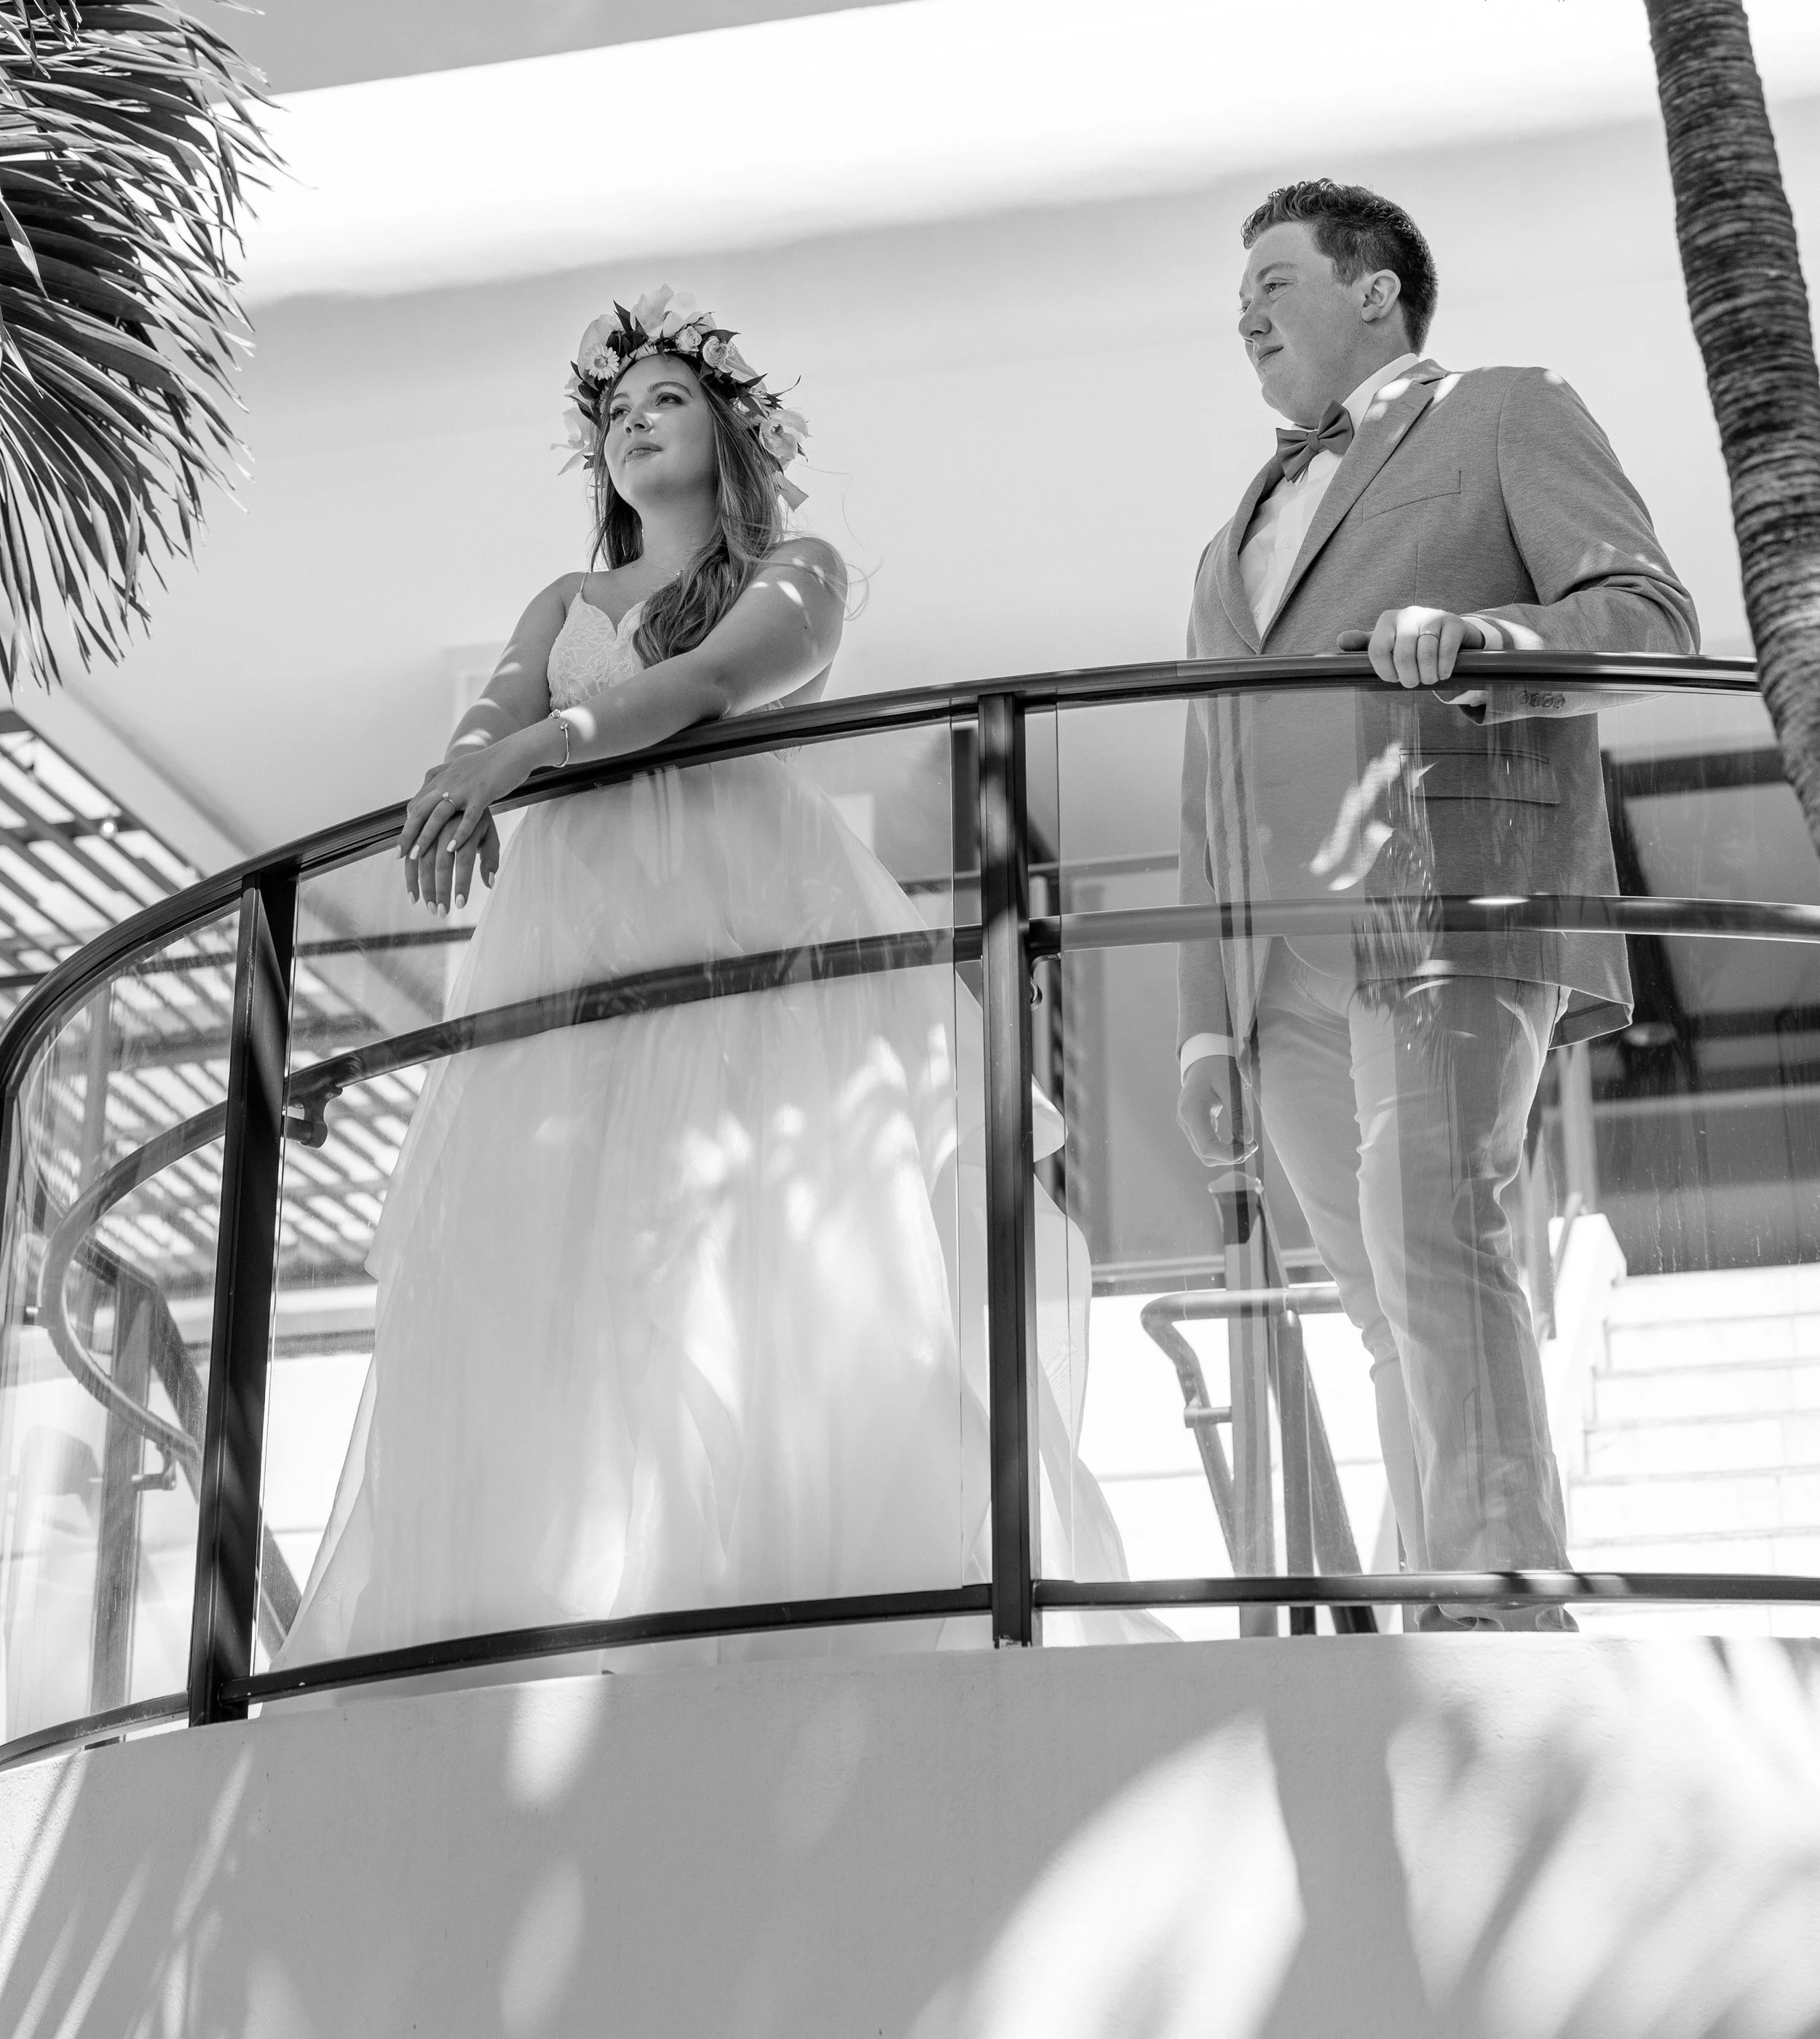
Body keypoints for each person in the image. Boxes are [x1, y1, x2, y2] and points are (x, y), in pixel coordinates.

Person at [281, 288, 1133, 1665]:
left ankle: (788, 1594)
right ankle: (569, 1605)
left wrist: (532, 750)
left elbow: (711, 684)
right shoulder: (567, 597)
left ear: (729, 429)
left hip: (739, 909)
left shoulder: (795, 565)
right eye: (614, 415)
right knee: (563, 1254)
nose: (633, 426)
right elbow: (493, 710)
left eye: (664, 399)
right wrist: (470, 766)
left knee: (773, 1249)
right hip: (573, 925)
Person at [1176, 181, 1698, 1624]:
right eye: (1235, 302)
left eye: (1271, 283)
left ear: (1373, 289)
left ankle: (1498, 1600)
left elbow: (1648, 616)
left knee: (1436, 1243)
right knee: (1373, 1302)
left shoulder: (1504, 410)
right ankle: (1432, 1606)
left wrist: (1487, 634)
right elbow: (1201, 776)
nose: (1244, 317)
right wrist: (1199, 1024)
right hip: (1274, 968)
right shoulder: (1229, 538)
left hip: (1447, 886)